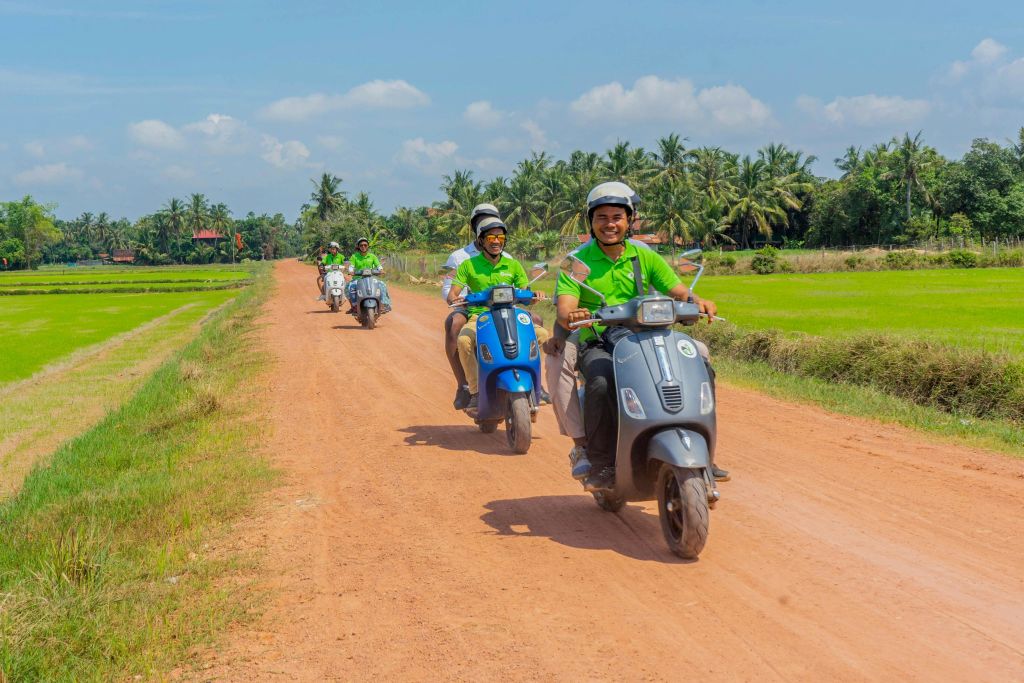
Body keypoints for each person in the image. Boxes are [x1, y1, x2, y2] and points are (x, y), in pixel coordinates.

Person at [555, 182, 726, 492]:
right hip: (599, 337)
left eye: (617, 216)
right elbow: (565, 308)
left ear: (629, 220)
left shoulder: (643, 255)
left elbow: (677, 289)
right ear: (591, 222)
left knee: (698, 360)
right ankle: (601, 462)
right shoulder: (578, 263)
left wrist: (697, 300)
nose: (610, 224)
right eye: (602, 217)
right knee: (600, 379)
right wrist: (575, 314)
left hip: (648, 333)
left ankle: (705, 454)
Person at [448, 216, 551, 411]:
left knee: (543, 335)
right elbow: (453, 293)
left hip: (510, 313)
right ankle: (475, 391)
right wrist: (455, 298)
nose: (496, 242)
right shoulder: (468, 265)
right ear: (481, 241)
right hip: (481, 316)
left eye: (500, 238)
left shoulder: (513, 265)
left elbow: (524, 289)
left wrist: (534, 295)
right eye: (491, 238)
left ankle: (538, 384)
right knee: (464, 341)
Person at [442, 203, 501, 409]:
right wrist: (459, 299)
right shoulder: (459, 257)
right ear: (475, 227)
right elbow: (449, 288)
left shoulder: (506, 257)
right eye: (481, 222)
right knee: (455, 324)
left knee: (534, 321)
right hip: (469, 307)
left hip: (500, 308)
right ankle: (464, 384)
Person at [347, 237, 391, 312]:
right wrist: (351, 271)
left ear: (368, 246)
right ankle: (354, 306)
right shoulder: (354, 256)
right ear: (358, 247)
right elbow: (351, 266)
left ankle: (383, 304)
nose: (363, 247)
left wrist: (381, 270)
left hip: (371, 278)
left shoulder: (372, 256)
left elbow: (378, 265)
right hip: (358, 279)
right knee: (350, 286)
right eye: (361, 245)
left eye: (365, 245)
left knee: (382, 285)